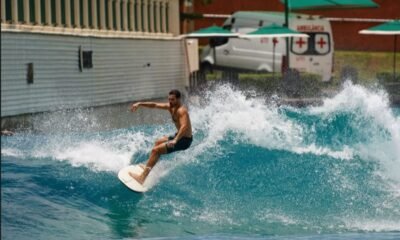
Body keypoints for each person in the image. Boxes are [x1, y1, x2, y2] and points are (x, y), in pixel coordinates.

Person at [129, 89, 193, 184]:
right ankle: (149, 167)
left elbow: (184, 126)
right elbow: (154, 105)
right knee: (158, 142)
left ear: (179, 99)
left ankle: (142, 178)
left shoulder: (181, 111)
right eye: (169, 99)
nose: (170, 102)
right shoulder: (171, 107)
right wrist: (139, 103)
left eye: (173, 99)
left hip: (184, 140)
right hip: (179, 136)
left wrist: (175, 140)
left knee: (156, 150)